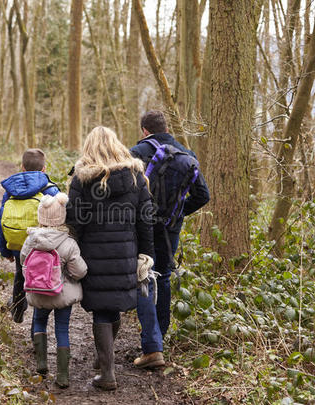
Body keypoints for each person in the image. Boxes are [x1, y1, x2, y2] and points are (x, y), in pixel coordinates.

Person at [66, 126, 154, 390]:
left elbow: (73, 220)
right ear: (117, 145)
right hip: (125, 252)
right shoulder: (137, 177)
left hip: (93, 253)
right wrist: (146, 253)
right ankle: (105, 358)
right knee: (112, 306)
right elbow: (145, 220)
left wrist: (73, 250)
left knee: (102, 309)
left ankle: (107, 371)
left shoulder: (81, 179)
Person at [130, 110, 210, 368]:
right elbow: (202, 195)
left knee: (143, 277)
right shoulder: (186, 154)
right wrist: (178, 213)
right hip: (170, 229)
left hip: (142, 227)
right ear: (166, 127)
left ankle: (151, 344)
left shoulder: (137, 152)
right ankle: (160, 337)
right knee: (163, 276)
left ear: (145, 130)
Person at [20, 192, 88, 388]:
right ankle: (63, 375)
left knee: (39, 323)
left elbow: (24, 261)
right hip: (61, 294)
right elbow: (80, 271)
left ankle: (41, 363)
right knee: (62, 329)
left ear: (40, 216)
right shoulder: (68, 243)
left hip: (38, 292)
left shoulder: (31, 240)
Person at [0, 148, 59, 323]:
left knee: (20, 273)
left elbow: (1, 220)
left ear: (22, 167)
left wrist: (5, 250)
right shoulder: (51, 190)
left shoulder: (11, 189)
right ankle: (39, 321)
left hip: (18, 244)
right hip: (43, 245)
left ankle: (17, 309)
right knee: (42, 275)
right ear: (44, 169)